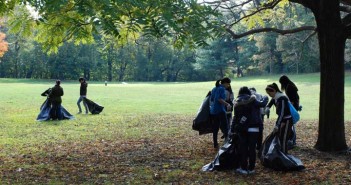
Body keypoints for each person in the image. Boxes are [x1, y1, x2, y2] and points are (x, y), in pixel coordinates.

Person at [231, 86, 268, 175]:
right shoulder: (253, 99)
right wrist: (266, 97)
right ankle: (251, 169)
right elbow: (263, 104)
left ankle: (243, 168)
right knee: (252, 148)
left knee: (243, 148)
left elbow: (235, 117)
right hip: (254, 127)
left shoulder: (236, 102)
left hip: (242, 128)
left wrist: (232, 129)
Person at [265, 83, 292, 154]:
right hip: (282, 120)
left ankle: (284, 156)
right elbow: (269, 104)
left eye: (269, 93)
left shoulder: (282, 98)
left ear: (273, 91)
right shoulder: (275, 98)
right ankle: (281, 155)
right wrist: (267, 108)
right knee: (280, 138)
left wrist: (277, 125)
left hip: (287, 120)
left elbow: (282, 113)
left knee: (283, 139)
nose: (269, 95)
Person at [210, 77, 231, 148]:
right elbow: (219, 99)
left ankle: (215, 143)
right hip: (220, 110)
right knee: (225, 127)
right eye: (228, 84)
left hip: (213, 111)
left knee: (215, 128)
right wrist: (227, 104)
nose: (228, 86)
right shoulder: (222, 89)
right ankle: (227, 143)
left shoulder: (214, 88)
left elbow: (212, 99)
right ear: (225, 83)